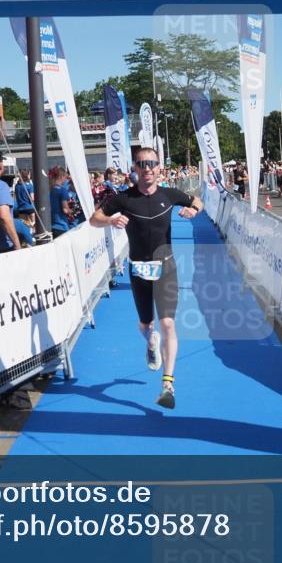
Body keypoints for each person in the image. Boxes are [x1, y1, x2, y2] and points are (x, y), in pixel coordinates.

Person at [88, 148, 203, 410]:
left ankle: (168, 384)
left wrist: (193, 211)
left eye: (151, 163)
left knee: (168, 324)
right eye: (142, 164)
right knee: (145, 325)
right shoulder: (123, 198)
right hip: (139, 269)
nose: (147, 168)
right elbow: (94, 219)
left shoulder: (169, 194)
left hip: (166, 267)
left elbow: (197, 201)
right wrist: (111, 221)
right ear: (135, 168)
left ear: (159, 167)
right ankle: (150, 342)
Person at [49, 167, 75, 239]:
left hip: (51, 225)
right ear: (61, 176)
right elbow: (65, 210)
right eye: (65, 177)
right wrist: (73, 211)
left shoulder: (50, 189)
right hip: (61, 226)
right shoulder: (62, 190)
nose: (66, 180)